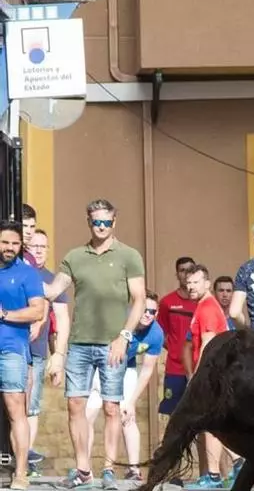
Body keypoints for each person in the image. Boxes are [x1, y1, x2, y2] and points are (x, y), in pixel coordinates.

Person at [43, 199, 147, 490]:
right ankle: (83, 470)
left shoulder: (129, 255)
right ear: (88, 222)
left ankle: (109, 470)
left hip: (113, 344)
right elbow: (52, 290)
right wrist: (24, 273)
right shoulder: (75, 256)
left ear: (114, 222)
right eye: (96, 222)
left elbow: (139, 299)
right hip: (79, 344)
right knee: (75, 405)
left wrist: (124, 337)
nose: (101, 227)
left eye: (106, 222)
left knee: (112, 408)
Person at [84, 290, 165, 481]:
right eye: (144, 310)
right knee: (88, 414)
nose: (148, 315)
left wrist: (131, 401)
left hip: (126, 367)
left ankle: (133, 470)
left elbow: (147, 369)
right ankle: (84, 468)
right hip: (100, 364)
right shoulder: (119, 321)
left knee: (127, 415)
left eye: (152, 312)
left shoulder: (156, 333)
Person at [185, 264, 243, 489]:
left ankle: (220, 472)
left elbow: (208, 344)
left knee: (210, 423)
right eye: (188, 283)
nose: (191, 287)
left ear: (207, 284)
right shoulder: (203, 306)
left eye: (196, 282)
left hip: (213, 374)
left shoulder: (207, 307)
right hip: (216, 373)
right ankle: (228, 467)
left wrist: (198, 377)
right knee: (212, 423)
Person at [0, 220, 47, 490]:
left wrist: (4, 314)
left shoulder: (27, 274)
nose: (10, 247)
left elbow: (37, 310)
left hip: (11, 350)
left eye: (15, 243)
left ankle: (20, 473)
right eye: (5, 242)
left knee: (16, 411)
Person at [24, 229, 70, 476]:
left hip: (37, 351)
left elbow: (61, 320)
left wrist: (58, 356)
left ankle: (25, 457)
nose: (39, 250)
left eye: (43, 246)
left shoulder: (53, 281)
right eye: (35, 246)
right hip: (12, 347)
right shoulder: (18, 271)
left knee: (31, 407)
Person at [157, 257, 198, 417]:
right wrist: (174, 349)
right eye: (182, 270)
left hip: (198, 368)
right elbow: (161, 333)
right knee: (172, 415)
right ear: (177, 274)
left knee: (198, 415)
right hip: (175, 369)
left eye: (190, 270)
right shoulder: (167, 302)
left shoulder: (202, 302)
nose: (186, 274)